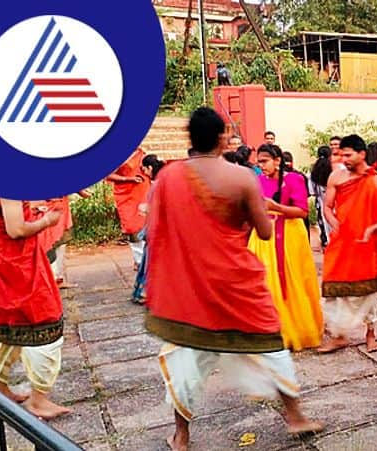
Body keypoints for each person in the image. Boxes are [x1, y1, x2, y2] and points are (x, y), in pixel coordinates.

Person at [144, 107, 322, 450]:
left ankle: (181, 437)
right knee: (271, 346)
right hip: (236, 283)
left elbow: (155, 230)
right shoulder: (241, 178)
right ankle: (296, 417)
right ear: (223, 137)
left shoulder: (168, 177)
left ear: (190, 139)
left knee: (185, 361)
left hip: (188, 289)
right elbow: (266, 232)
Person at [0, 190, 71, 419]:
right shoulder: (5, 180)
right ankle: (38, 400)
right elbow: (16, 229)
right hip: (19, 267)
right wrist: (47, 221)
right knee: (46, 324)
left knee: (3, 325)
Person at [319, 134, 377, 354]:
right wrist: (335, 224)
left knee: (368, 292)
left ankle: (370, 334)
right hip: (342, 241)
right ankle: (339, 335)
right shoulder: (336, 177)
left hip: (367, 244)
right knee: (334, 288)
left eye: (348, 154)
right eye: (341, 155)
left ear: (362, 154)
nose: (344, 159)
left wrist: (372, 228)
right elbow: (327, 207)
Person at [248, 144, 323, 351]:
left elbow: (301, 212)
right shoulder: (258, 180)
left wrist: (276, 207)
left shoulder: (293, 179)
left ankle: (295, 329)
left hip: (289, 235)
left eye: (264, 161)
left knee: (293, 280)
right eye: (259, 161)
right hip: (263, 236)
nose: (260, 165)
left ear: (277, 160)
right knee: (265, 281)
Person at [106, 147, 151, 271]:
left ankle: (144, 259)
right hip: (127, 195)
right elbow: (108, 175)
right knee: (133, 226)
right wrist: (128, 179)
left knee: (146, 223)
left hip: (143, 191)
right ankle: (139, 260)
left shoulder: (140, 151)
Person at [131, 154, 166, 304]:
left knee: (150, 261)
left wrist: (145, 209)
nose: (143, 172)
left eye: (144, 169)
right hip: (160, 227)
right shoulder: (164, 182)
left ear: (150, 168)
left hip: (157, 227)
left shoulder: (157, 185)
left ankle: (145, 292)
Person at [282, 150, 312, 236]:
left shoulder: (298, 176)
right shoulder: (300, 175)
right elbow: (308, 194)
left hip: (296, 214)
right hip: (296, 214)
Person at [310, 146, 333, 248]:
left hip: (321, 203)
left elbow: (312, 191)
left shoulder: (313, 171)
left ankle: (327, 245)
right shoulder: (334, 169)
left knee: (325, 228)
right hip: (335, 203)